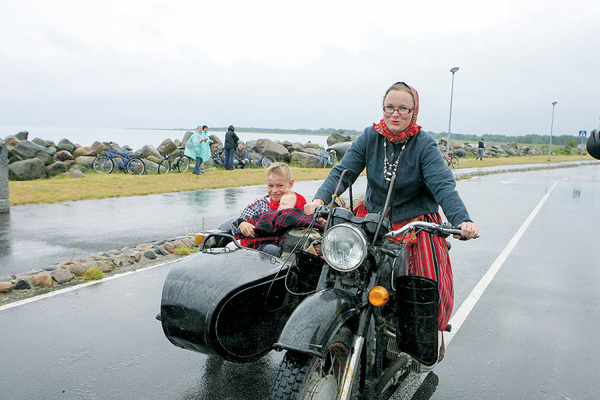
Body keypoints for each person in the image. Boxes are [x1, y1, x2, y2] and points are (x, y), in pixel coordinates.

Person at [304, 81, 479, 362]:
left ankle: (424, 338)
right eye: (390, 107)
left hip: (414, 223)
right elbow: (343, 171)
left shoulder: (424, 144)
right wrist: (320, 199)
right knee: (337, 260)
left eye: (403, 108)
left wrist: (462, 220)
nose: (395, 114)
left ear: (414, 111)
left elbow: (443, 186)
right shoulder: (370, 137)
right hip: (373, 218)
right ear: (383, 108)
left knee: (424, 279)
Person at [229, 191, 321, 256]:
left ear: (295, 209)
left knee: (272, 250)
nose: (280, 206)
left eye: (284, 204)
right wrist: (242, 222)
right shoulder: (270, 213)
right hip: (251, 240)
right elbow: (260, 221)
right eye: (280, 203)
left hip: (269, 249)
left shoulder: (292, 217)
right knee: (231, 246)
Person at [233, 162, 307, 241]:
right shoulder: (261, 204)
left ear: (290, 184)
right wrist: (242, 223)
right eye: (270, 186)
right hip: (264, 244)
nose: (274, 190)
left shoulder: (299, 202)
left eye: (280, 185)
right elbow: (242, 217)